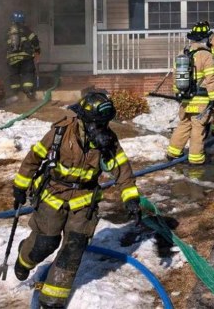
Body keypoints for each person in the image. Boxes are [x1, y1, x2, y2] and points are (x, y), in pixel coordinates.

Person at [12, 91, 141, 309]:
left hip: (84, 202)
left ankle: (52, 300)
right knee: (46, 242)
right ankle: (25, 258)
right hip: (53, 195)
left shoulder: (107, 141)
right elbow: (33, 158)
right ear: (83, 119)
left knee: (73, 248)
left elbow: (122, 169)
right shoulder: (60, 133)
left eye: (104, 124)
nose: (100, 129)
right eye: (96, 124)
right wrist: (20, 186)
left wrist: (131, 198)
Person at [166, 21, 214, 165]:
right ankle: (196, 159)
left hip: (185, 98)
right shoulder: (206, 55)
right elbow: (211, 78)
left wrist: (178, 93)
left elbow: (175, 76)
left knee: (184, 124)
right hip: (201, 99)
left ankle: (173, 152)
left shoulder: (183, 54)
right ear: (205, 38)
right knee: (198, 127)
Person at [6, 10, 41, 101]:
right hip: (26, 57)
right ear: (23, 20)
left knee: (14, 74)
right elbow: (35, 40)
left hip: (12, 58)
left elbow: (4, 44)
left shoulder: (8, 31)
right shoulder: (26, 30)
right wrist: (37, 50)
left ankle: (15, 93)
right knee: (27, 73)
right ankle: (29, 92)